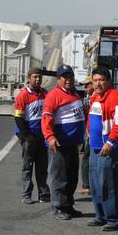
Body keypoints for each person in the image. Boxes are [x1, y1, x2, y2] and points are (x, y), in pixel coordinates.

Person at [41, 65, 86, 220]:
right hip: (59, 145)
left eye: (70, 77)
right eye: (64, 77)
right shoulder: (54, 95)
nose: (68, 80)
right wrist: (50, 137)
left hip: (72, 144)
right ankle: (58, 207)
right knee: (59, 177)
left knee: (72, 177)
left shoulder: (75, 94)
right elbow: (46, 118)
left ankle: (68, 205)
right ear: (58, 79)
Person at [87, 67, 118, 230]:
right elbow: (91, 119)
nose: (98, 83)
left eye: (101, 80)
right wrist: (89, 135)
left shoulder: (115, 97)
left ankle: (115, 220)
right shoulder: (95, 97)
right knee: (96, 184)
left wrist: (110, 142)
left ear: (108, 81)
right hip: (95, 147)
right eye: (95, 80)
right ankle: (101, 216)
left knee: (109, 185)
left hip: (109, 149)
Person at [14, 67, 49, 204]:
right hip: (29, 137)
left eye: (39, 77)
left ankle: (43, 193)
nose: (37, 79)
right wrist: (27, 135)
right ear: (29, 78)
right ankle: (26, 194)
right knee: (27, 166)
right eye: (34, 77)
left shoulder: (45, 93)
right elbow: (18, 117)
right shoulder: (23, 95)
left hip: (42, 137)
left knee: (42, 166)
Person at [78, 76, 95, 195]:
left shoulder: (94, 99)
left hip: (92, 135)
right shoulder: (87, 98)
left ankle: (87, 185)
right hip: (88, 133)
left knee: (86, 160)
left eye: (86, 85)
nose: (84, 88)